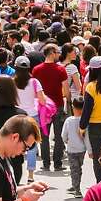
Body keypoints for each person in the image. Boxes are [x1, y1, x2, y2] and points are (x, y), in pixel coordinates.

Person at [32, 43, 70, 172]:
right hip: (58, 105)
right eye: (57, 52)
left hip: (43, 106)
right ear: (52, 53)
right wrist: (67, 100)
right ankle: (58, 163)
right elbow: (66, 89)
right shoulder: (60, 70)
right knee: (59, 135)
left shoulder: (36, 70)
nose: (59, 54)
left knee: (44, 135)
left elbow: (34, 89)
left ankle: (46, 163)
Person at [13, 55, 49, 182]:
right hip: (32, 116)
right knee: (32, 146)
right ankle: (30, 175)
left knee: (15, 143)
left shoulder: (12, 82)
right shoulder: (35, 82)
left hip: (16, 116)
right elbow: (43, 101)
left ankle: (16, 173)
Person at [62, 96, 89, 196]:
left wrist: (66, 141)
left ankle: (77, 189)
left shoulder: (69, 121)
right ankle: (75, 185)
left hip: (71, 149)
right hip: (82, 150)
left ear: (73, 108)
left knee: (74, 169)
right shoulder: (85, 122)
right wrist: (89, 151)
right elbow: (87, 138)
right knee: (78, 168)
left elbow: (63, 135)